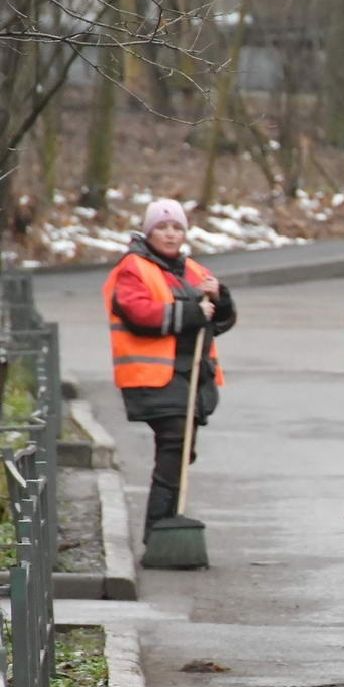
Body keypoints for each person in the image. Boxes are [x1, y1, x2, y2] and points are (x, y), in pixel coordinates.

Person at [103, 199, 237, 542]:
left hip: (190, 378)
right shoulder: (133, 268)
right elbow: (140, 313)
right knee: (175, 445)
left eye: (177, 227)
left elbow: (221, 318)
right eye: (162, 227)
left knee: (180, 450)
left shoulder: (191, 269)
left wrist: (219, 297)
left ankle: (167, 522)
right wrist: (195, 311)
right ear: (148, 231)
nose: (170, 233)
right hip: (154, 379)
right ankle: (159, 528)